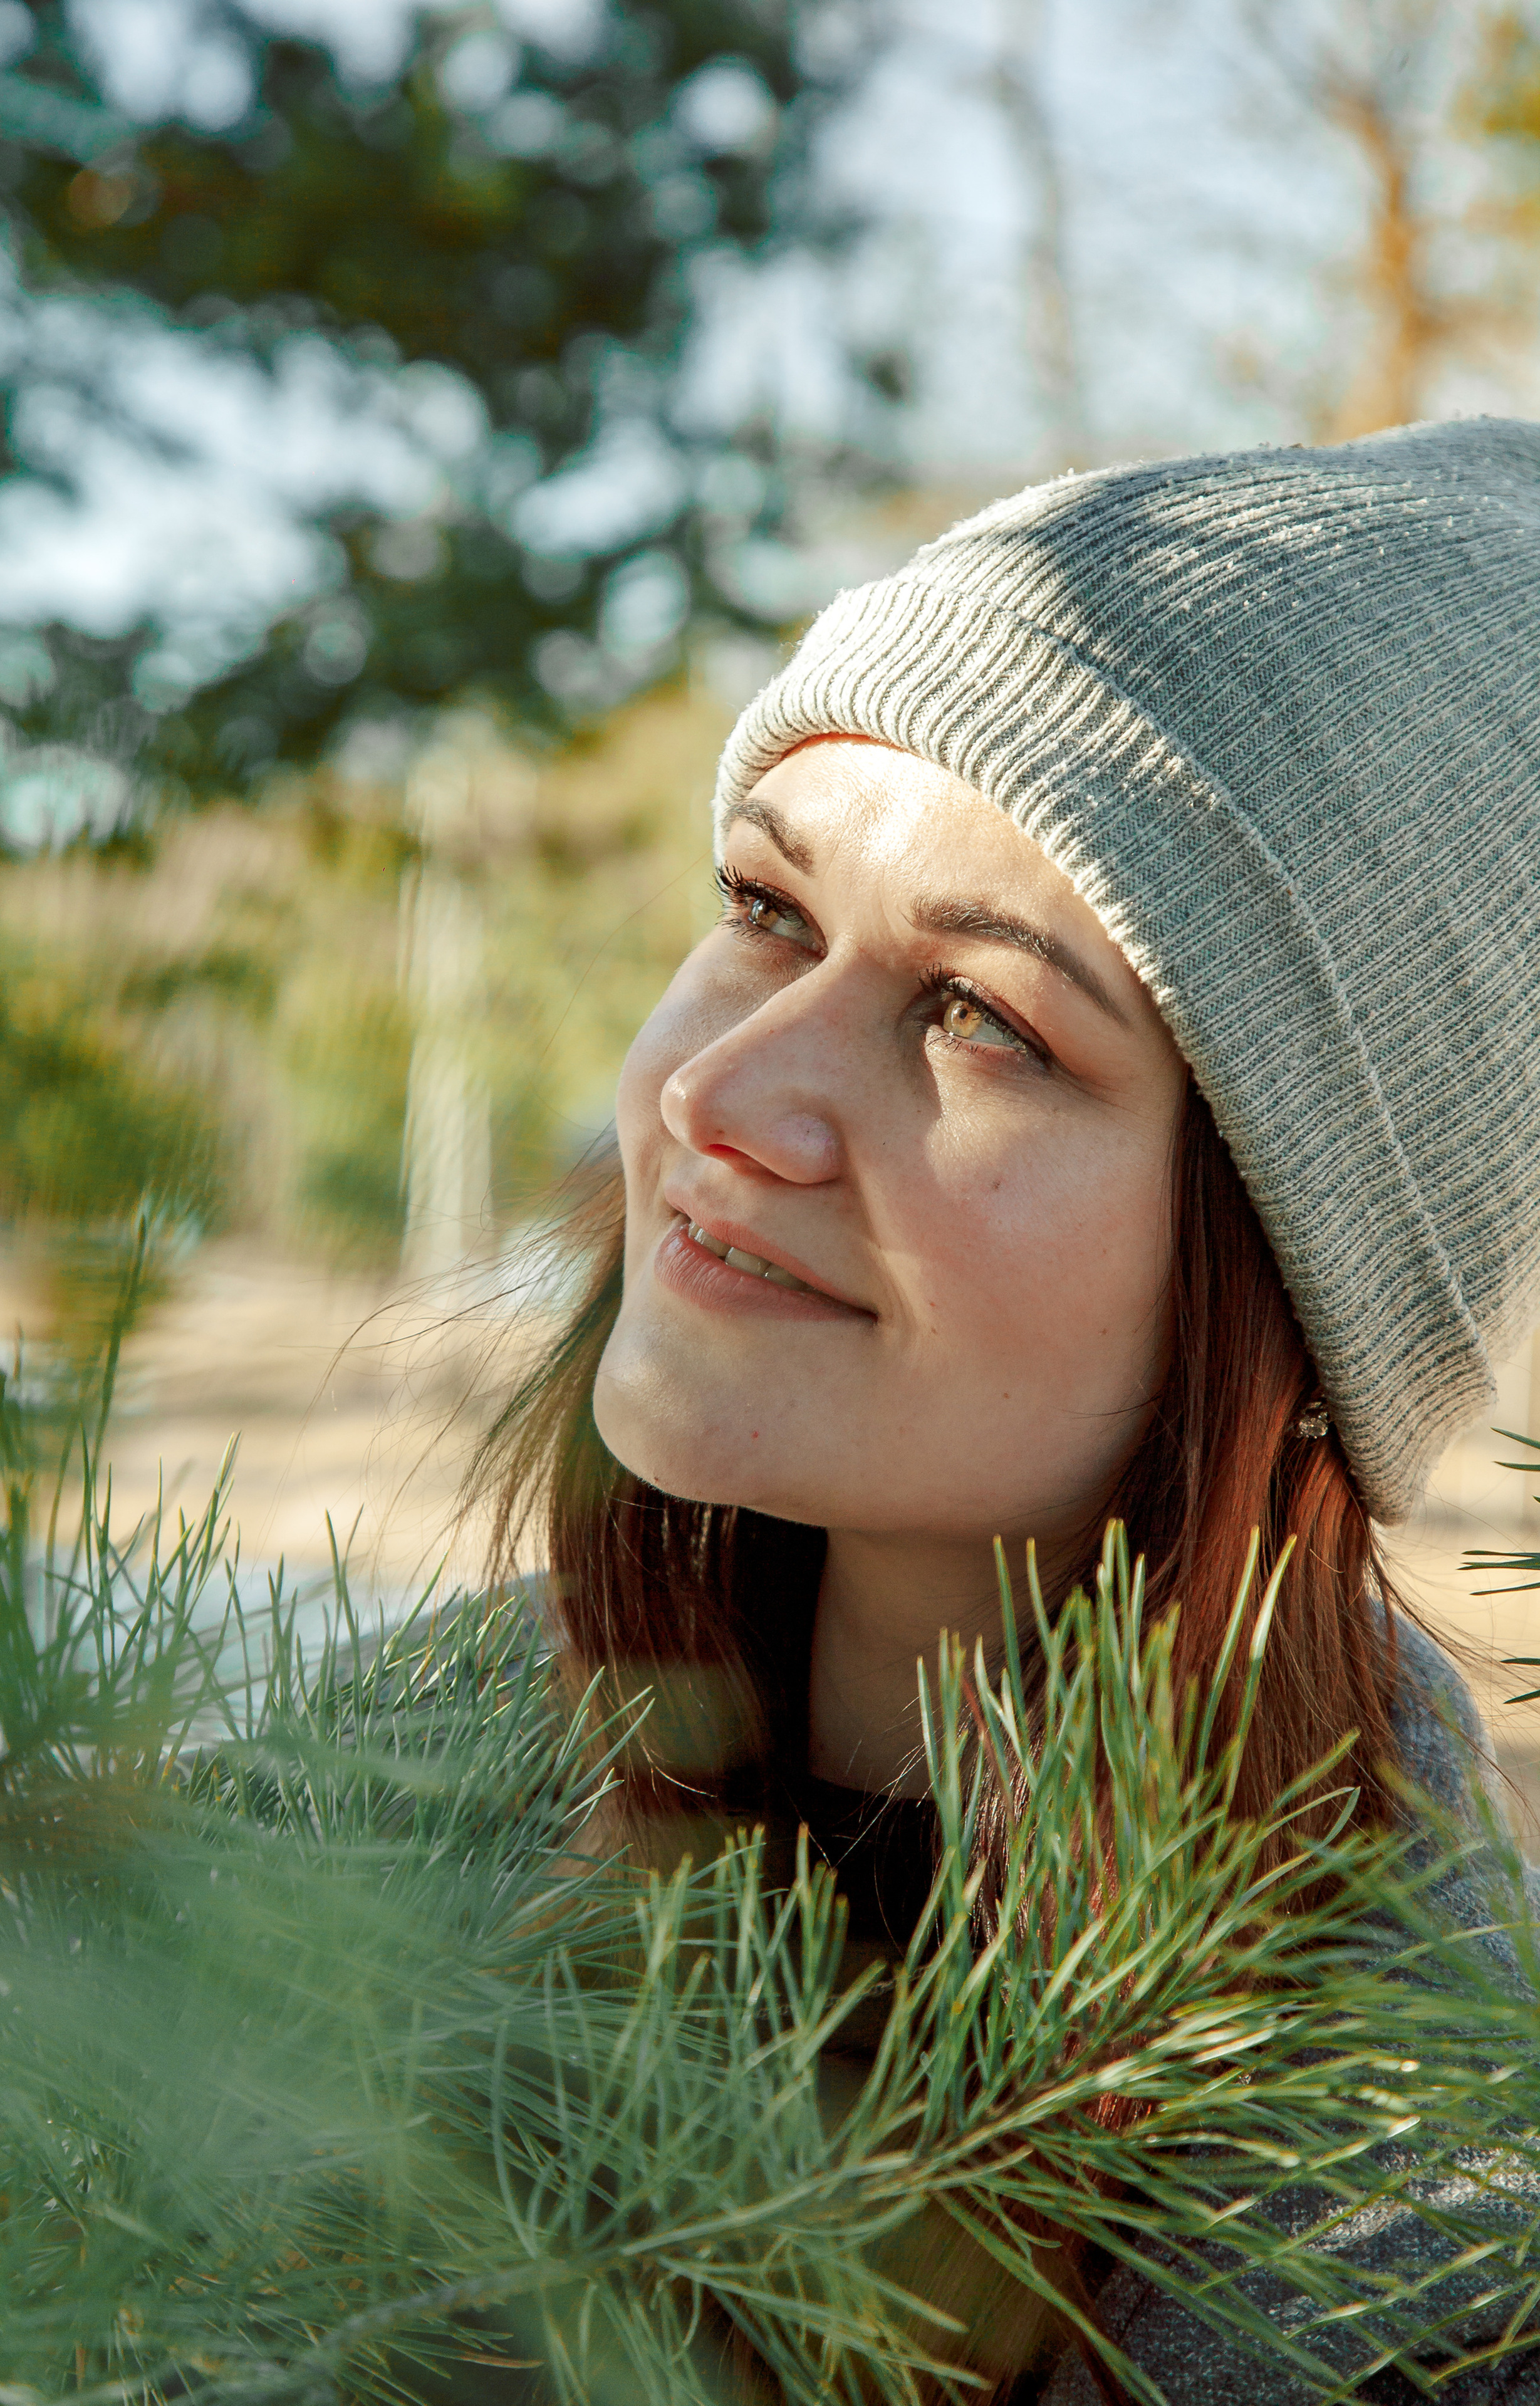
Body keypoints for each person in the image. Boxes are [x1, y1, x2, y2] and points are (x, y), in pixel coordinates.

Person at [473, 417, 1540, 2400]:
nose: (720, 1101)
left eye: (980, 1014)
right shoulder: (301, 1811)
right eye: (768, 909)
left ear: (1299, 1291)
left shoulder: (1451, 2256)